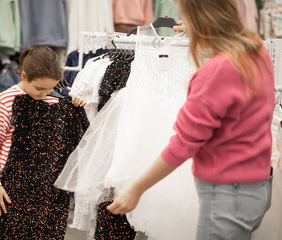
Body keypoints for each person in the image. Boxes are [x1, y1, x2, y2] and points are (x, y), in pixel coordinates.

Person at [107, 0, 275, 239]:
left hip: (228, 195)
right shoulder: (256, 49)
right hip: (258, 185)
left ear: (199, 18)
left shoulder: (215, 72)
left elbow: (183, 144)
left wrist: (136, 189)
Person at [0, 46, 87, 239]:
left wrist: (74, 103)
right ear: (24, 76)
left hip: (51, 188)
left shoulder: (57, 100)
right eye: (39, 88)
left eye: (50, 88)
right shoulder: (6, 100)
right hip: (13, 188)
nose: (44, 94)